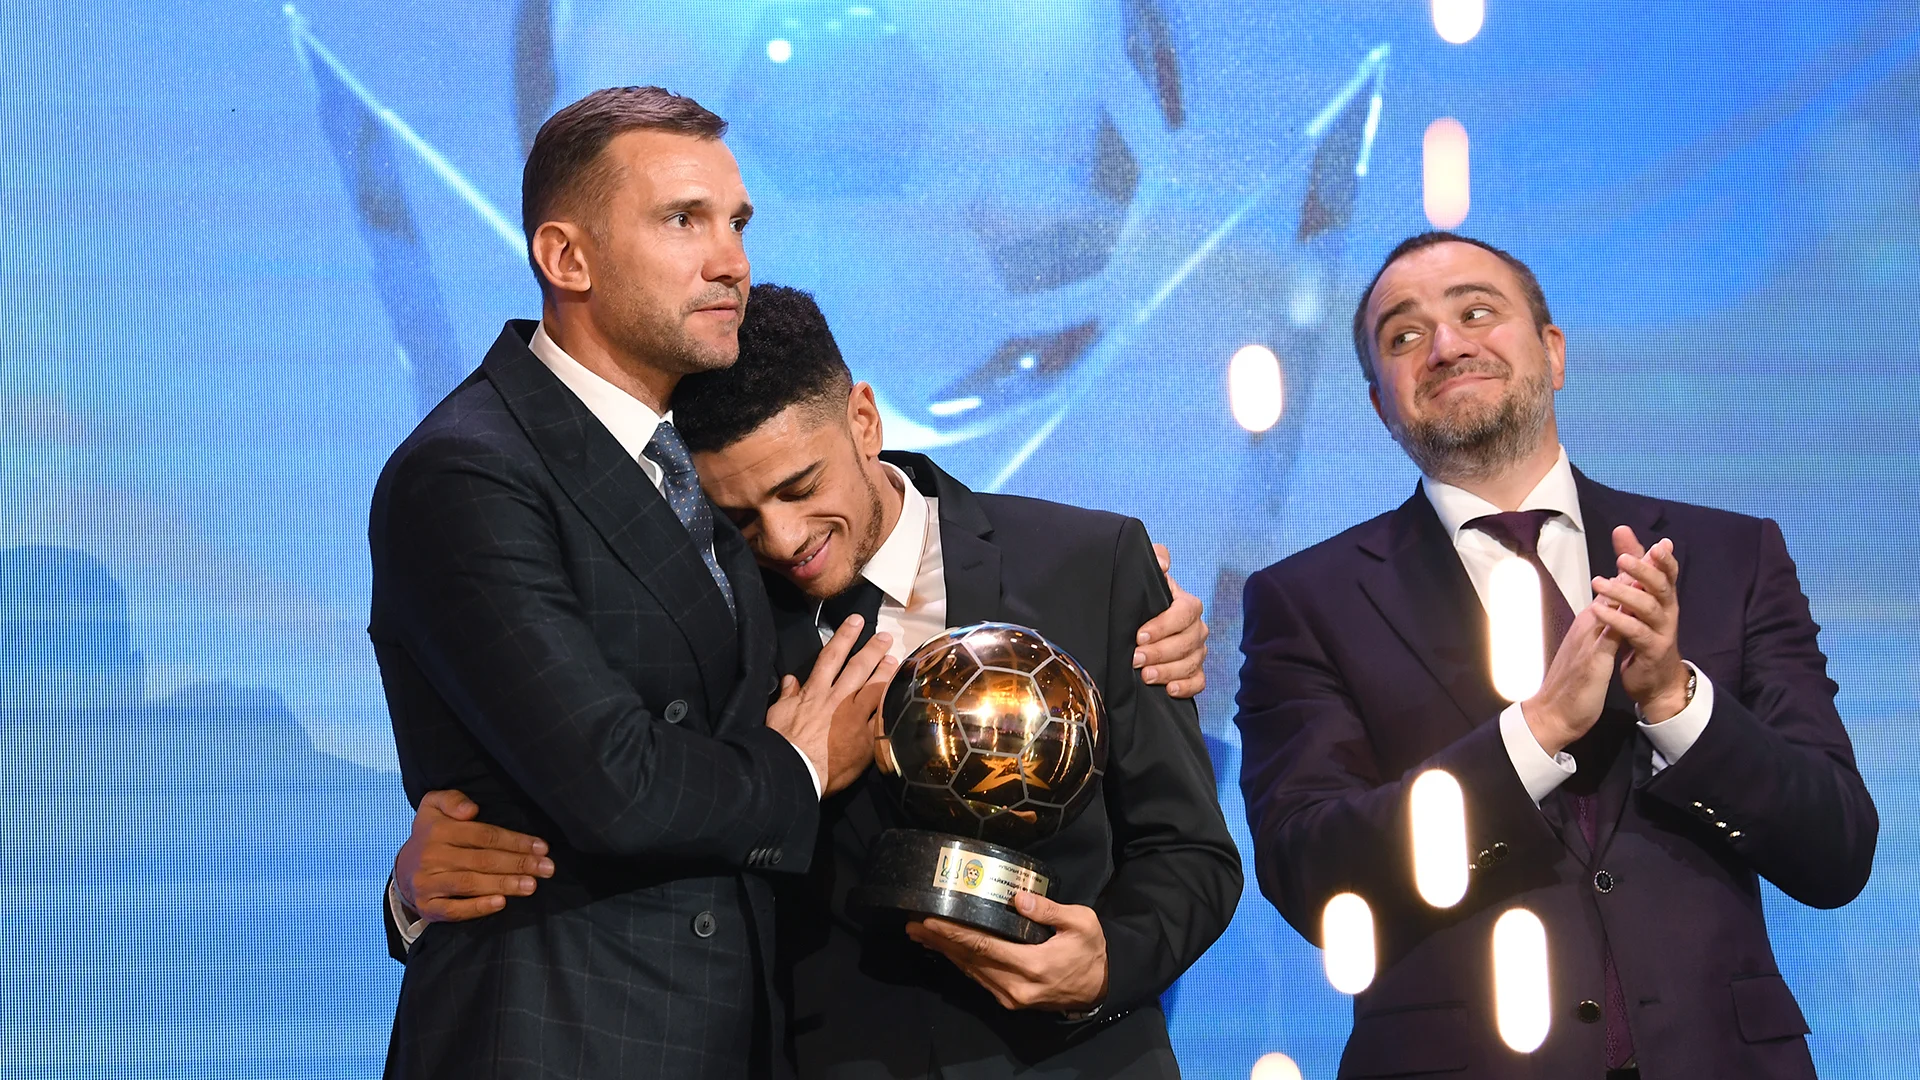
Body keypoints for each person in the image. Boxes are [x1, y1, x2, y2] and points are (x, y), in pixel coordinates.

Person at [390, 283, 1241, 1078]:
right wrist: (414, 892)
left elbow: (1190, 850)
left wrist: (1106, 963)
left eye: (800, 487)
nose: (784, 538)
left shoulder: (1089, 564)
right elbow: (621, 801)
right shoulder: (705, 631)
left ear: (863, 419)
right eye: (739, 517)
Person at [1233, 232, 1878, 1079]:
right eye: (1404, 334)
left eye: (1477, 312)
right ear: (1380, 404)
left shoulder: (1730, 556)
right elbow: (1312, 874)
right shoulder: (1306, 599)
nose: (1447, 344)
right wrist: (1532, 735)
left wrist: (1675, 702)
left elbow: (1836, 850)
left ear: (1554, 352)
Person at [368, 87, 901, 1078]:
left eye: (737, 223)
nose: (730, 260)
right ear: (567, 258)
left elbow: (839, 473)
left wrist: (1108, 580)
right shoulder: (470, 471)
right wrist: (801, 767)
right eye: (683, 220)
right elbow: (612, 779)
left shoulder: (688, 453)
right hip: (560, 1037)